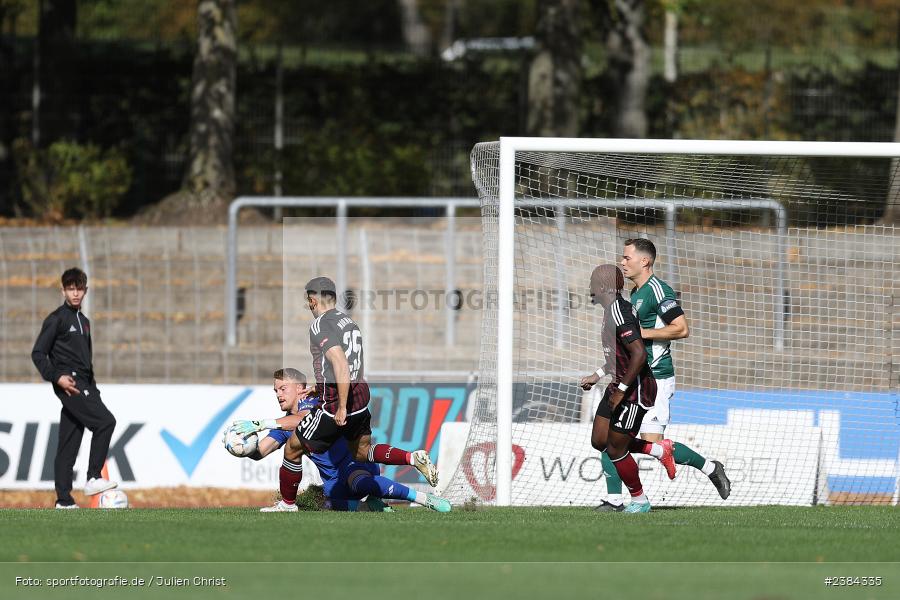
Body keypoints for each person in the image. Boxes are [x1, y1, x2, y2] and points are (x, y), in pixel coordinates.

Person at [234, 277, 439, 506]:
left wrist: (339, 405)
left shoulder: (320, 325)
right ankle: (411, 457)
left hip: (338, 401)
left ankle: (287, 505)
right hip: (359, 394)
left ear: (312, 301)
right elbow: (349, 363)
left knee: (293, 447)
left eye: (282, 388)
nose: (279, 394)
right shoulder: (348, 322)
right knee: (362, 451)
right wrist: (320, 388)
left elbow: (339, 362)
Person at [585, 239, 731, 511]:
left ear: (645, 261)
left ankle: (710, 467)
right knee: (609, 437)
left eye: (627, 257)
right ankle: (614, 498)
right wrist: (600, 371)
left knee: (641, 442)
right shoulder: (635, 294)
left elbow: (681, 328)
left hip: (655, 380)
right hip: (634, 377)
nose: (623, 262)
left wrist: (641, 336)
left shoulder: (658, 290)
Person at [230, 368, 450, 513]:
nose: (278, 394)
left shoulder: (315, 404)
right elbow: (261, 451)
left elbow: (303, 420)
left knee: (359, 481)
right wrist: (243, 448)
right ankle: (370, 506)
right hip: (334, 481)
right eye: (275, 390)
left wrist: (261, 423)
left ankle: (424, 499)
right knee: (328, 502)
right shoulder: (283, 424)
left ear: (299, 388)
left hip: (354, 463)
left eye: (282, 388)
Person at [31, 267, 117, 509]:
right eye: (70, 289)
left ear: (85, 291)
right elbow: (38, 353)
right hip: (70, 383)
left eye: (79, 288)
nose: (75, 293)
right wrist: (56, 377)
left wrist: (95, 390)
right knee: (106, 422)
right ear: (63, 290)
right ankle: (93, 477)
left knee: (69, 441)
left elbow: (86, 363)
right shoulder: (56, 319)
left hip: (84, 383)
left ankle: (64, 500)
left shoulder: (85, 323)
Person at [583, 265, 660, 513]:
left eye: (593, 283)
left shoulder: (620, 312)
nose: (590, 289)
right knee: (600, 440)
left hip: (635, 388)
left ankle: (640, 500)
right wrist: (596, 375)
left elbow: (638, 355)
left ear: (604, 287)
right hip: (618, 384)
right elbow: (618, 356)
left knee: (616, 448)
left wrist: (622, 390)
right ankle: (657, 449)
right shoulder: (609, 312)